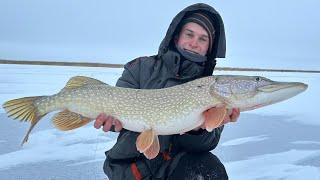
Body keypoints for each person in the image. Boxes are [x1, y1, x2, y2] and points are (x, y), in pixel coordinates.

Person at [94, 3, 240, 180]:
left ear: (209, 47)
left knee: (210, 170)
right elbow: (117, 109)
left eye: (203, 39)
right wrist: (110, 121)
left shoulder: (211, 88)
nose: (194, 43)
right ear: (176, 36)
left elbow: (207, 144)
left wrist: (198, 129)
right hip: (131, 165)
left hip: (178, 168)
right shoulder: (140, 67)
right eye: (189, 34)